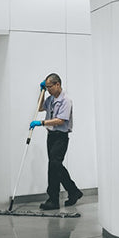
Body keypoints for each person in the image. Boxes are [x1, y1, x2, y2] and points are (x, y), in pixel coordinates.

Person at [29, 73, 83, 210]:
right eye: (46, 87)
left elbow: (60, 120)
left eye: (49, 87)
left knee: (54, 166)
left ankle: (53, 200)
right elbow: (40, 108)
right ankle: (73, 191)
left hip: (61, 137)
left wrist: (41, 122)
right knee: (56, 166)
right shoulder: (51, 98)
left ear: (57, 84)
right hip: (51, 136)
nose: (48, 90)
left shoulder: (66, 101)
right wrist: (41, 92)